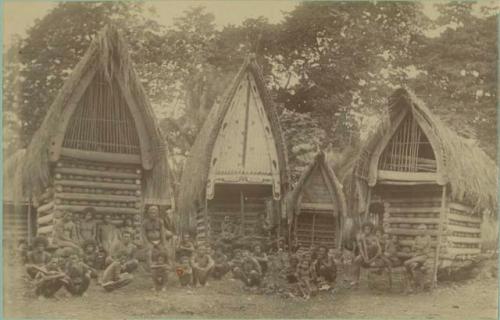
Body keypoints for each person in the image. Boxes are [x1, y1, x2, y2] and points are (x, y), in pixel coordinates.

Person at [351, 221, 386, 286]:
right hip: (364, 255)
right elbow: (361, 249)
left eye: (368, 229)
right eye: (365, 229)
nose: (367, 230)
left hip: (373, 256)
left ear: (371, 229)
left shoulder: (374, 238)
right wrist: (364, 258)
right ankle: (355, 280)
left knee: (373, 246)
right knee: (356, 260)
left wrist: (372, 259)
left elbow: (379, 250)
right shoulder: (361, 237)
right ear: (363, 229)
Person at [404, 224, 432, 291]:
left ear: (426, 230)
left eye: (423, 229)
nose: (421, 231)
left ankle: (414, 282)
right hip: (417, 256)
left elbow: (422, 247)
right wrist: (416, 247)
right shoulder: (417, 237)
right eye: (420, 229)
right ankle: (412, 282)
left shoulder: (428, 237)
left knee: (406, 263)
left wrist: (416, 246)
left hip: (424, 256)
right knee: (410, 265)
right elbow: (413, 248)